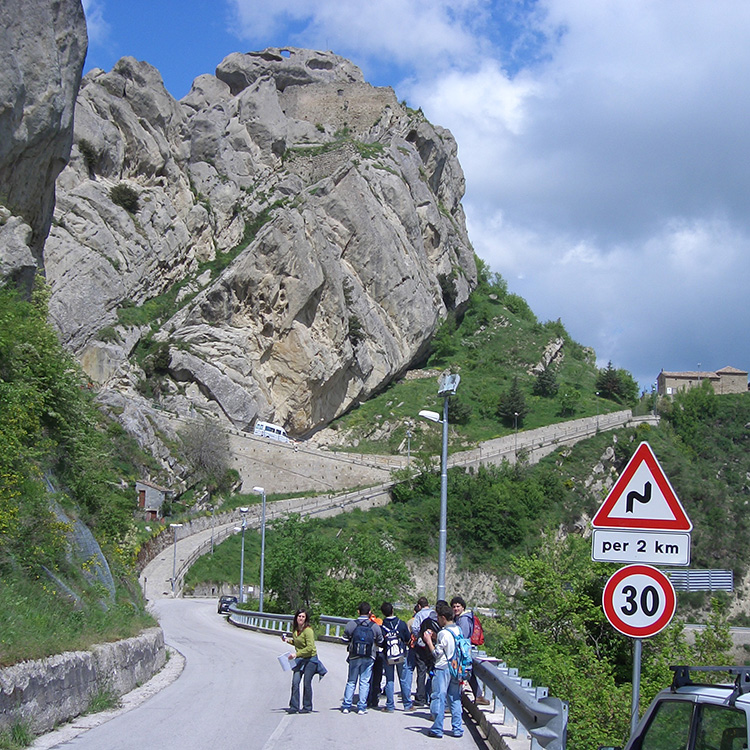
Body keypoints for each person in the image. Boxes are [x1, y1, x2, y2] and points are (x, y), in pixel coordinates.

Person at [422, 602, 464, 739]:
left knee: (439, 696)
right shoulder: (458, 630)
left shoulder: (443, 633)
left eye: (439, 618)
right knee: (455, 698)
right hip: (456, 668)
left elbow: (436, 654)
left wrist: (429, 641)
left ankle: (437, 728)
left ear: (443, 618)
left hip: (443, 668)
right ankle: (457, 728)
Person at [341, 601, 383, 715]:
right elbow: (380, 641)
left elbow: (344, 639)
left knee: (351, 681)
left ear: (358, 612)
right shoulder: (374, 626)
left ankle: (346, 705)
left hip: (354, 656)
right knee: (364, 681)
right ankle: (361, 707)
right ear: (369, 613)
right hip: (369, 656)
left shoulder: (351, 624)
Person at [283, 608, 326, 714]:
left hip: (310, 659)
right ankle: (294, 706)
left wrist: (296, 654)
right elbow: (298, 642)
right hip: (300, 659)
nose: (301, 618)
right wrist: (287, 641)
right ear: (296, 617)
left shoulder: (308, 631)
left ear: (306, 619)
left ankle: (307, 706)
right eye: (299, 616)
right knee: (295, 682)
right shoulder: (296, 630)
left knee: (307, 682)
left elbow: (310, 647)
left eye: (303, 617)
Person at [451, 596, 490, 706]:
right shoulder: (460, 618)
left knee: (462, 673)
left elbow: (463, 636)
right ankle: (478, 695)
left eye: (458, 606)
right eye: (454, 607)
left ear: (463, 607)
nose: (456, 609)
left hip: (462, 650)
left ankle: (453, 702)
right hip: (463, 650)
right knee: (467, 673)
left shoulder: (464, 619)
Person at [379, 602, 412, 712]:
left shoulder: (382, 626)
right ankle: (407, 704)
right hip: (401, 654)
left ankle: (390, 706)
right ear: (393, 610)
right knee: (403, 679)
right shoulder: (401, 623)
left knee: (389, 679)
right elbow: (408, 639)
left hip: (388, 656)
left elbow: (380, 642)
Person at [410, 597, 436, 706]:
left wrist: (419, 637)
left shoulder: (419, 615)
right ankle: (431, 696)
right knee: (433, 671)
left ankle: (420, 698)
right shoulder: (434, 613)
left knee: (421, 671)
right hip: (433, 646)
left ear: (419, 606)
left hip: (421, 646)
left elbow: (414, 628)